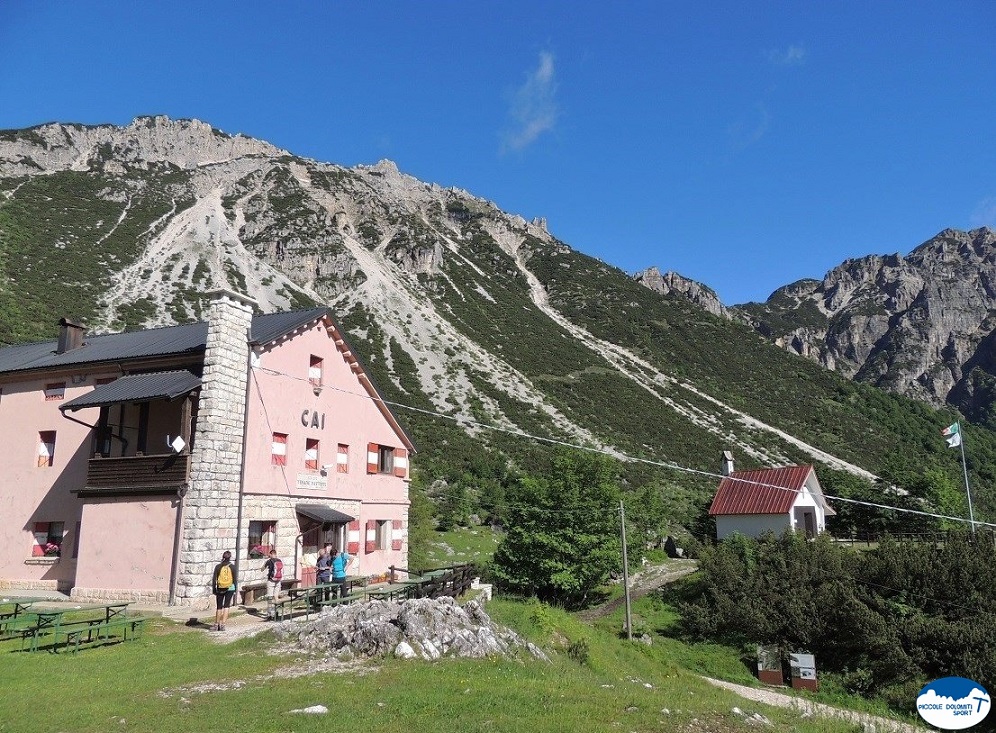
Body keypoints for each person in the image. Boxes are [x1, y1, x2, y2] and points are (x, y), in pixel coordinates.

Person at [211, 550, 238, 631]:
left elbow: (214, 579)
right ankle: (223, 625)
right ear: (230, 558)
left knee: (219, 606)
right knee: (226, 606)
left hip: (220, 588)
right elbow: (235, 579)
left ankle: (216, 625)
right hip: (230, 588)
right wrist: (235, 588)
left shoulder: (218, 566)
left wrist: (214, 589)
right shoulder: (233, 567)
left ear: (223, 557)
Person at [262, 548, 283, 620]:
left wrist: (265, 563)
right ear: (276, 554)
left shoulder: (269, 561)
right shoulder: (279, 560)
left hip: (271, 581)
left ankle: (269, 614)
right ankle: (277, 613)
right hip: (278, 580)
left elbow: (262, 569)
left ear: (271, 554)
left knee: (270, 598)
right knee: (276, 597)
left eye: (269, 554)